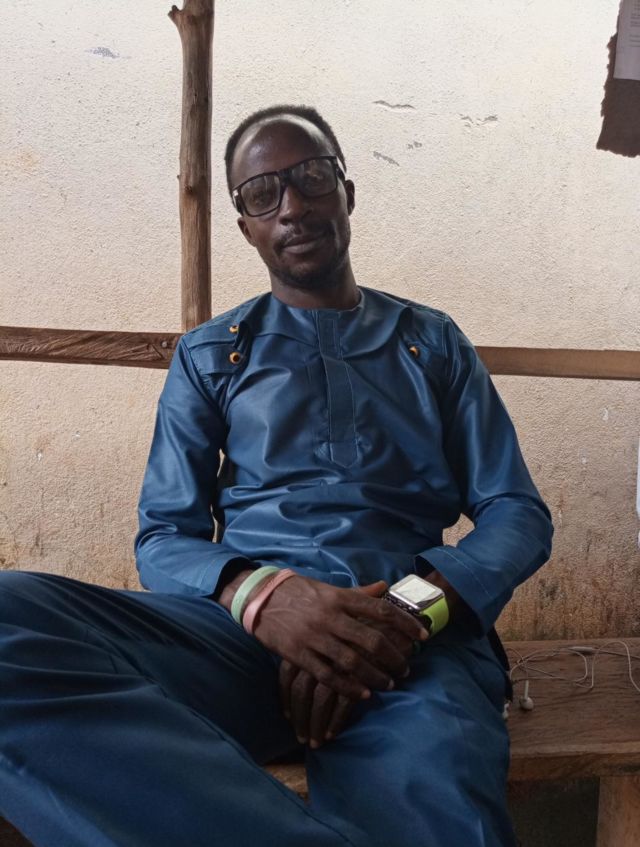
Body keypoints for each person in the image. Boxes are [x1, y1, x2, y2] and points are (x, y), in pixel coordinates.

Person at [0, 105, 553, 847]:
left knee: (440, 808)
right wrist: (269, 599)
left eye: (311, 176)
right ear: (246, 227)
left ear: (347, 193)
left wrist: (406, 611)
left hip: (406, 643)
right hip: (239, 640)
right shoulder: (211, 356)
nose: (291, 205)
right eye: (262, 193)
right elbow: (164, 535)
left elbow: (516, 511)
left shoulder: (431, 343)